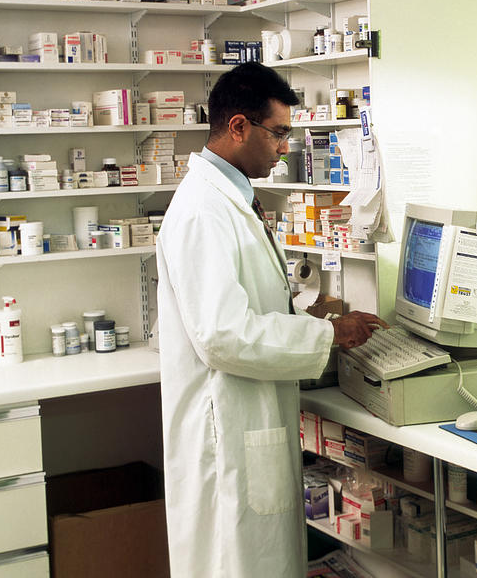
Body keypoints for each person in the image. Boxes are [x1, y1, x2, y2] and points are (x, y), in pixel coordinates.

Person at [156, 61, 387, 578]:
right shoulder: (202, 210)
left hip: (249, 418)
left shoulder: (231, 199)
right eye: (279, 133)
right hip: (227, 432)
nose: (285, 147)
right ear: (239, 127)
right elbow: (222, 335)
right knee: (237, 561)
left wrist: (309, 313)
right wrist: (328, 335)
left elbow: (241, 308)